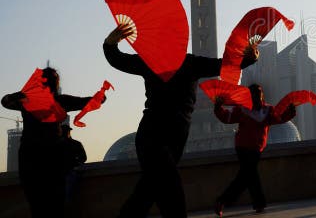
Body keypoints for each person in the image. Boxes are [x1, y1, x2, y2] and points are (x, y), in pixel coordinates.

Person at [104, 23, 258, 218]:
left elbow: (224, 63)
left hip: (174, 139)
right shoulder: (153, 62)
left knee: (147, 192)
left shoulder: (190, 63)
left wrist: (248, 59)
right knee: (171, 194)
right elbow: (118, 59)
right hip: (152, 137)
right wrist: (110, 42)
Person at [1, 67, 94, 218]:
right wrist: (100, 97)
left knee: (37, 204)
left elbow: (6, 101)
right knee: (55, 204)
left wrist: (23, 93)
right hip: (53, 157)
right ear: (56, 84)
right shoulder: (59, 101)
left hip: (30, 157)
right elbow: (85, 102)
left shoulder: (27, 100)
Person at [212, 84, 296, 217]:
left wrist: (290, 112)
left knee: (248, 175)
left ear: (262, 95)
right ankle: (228, 201)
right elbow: (227, 117)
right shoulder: (242, 110)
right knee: (247, 175)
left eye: (258, 94)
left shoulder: (268, 110)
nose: (256, 96)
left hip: (255, 148)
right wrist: (218, 108)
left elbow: (279, 118)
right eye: (254, 94)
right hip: (243, 147)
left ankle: (251, 202)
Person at [61, 124, 87, 203]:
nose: (66, 133)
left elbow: (83, 158)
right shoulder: (75, 144)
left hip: (71, 172)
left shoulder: (75, 144)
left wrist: (75, 162)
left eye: (66, 131)